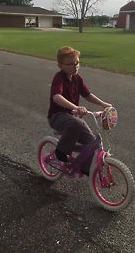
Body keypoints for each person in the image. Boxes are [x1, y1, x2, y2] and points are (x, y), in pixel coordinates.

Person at [48, 46, 112, 175]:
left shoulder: (77, 78)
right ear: (61, 65)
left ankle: (84, 168)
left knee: (92, 143)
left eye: (77, 62)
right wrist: (76, 107)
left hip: (72, 117)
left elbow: (87, 94)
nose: (75, 66)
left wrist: (103, 104)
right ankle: (61, 151)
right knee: (76, 123)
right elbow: (56, 97)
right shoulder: (59, 78)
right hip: (57, 117)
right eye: (70, 64)